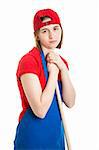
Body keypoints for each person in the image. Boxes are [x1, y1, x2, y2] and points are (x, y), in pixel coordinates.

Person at [14, 8, 76, 150]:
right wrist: (53, 73)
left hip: (56, 137)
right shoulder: (28, 61)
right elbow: (40, 110)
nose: (52, 35)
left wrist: (63, 69)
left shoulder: (61, 62)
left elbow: (70, 102)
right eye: (44, 31)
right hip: (33, 139)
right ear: (37, 36)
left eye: (55, 29)